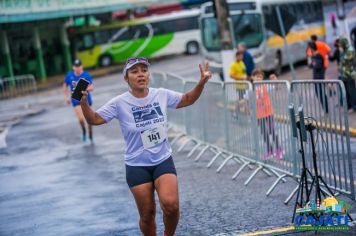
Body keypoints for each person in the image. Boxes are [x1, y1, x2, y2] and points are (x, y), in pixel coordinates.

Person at [79, 57, 212, 236]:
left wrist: (201, 83)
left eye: (144, 70)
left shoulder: (161, 94)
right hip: (137, 165)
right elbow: (94, 119)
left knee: (171, 205)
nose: (140, 74)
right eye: (134, 72)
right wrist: (84, 103)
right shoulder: (119, 102)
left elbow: (188, 99)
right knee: (147, 214)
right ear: (126, 78)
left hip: (162, 159)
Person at [251, 69, 282, 160]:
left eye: (260, 77)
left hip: (268, 113)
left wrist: (276, 81)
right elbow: (246, 99)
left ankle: (279, 149)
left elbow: (276, 87)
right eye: (256, 76)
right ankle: (270, 150)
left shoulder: (265, 86)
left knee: (272, 131)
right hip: (259, 115)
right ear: (252, 78)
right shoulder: (251, 88)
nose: (258, 78)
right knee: (264, 133)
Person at [63, 59, 95, 142]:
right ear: (73, 67)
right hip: (76, 100)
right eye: (76, 66)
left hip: (86, 100)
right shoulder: (69, 75)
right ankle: (84, 131)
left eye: (79, 66)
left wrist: (82, 88)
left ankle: (90, 134)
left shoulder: (86, 75)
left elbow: (92, 87)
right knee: (81, 119)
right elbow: (65, 87)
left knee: (90, 120)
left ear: (82, 66)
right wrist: (66, 97)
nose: (78, 68)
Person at [308, 42, 329, 114]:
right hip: (316, 78)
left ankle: (327, 109)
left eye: (309, 48)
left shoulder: (319, 55)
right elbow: (310, 66)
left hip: (320, 77)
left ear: (312, 48)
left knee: (321, 93)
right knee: (318, 94)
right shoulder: (313, 56)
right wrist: (311, 62)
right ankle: (325, 109)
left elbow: (318, 66)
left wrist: (313, 63)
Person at [338, 36, 356, 112]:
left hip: (349, 73)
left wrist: (341, 53)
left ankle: (354, 106)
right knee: (345, 91)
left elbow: (345, 60)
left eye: (340, 43)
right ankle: (349, 106)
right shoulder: (344, 50)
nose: (339, 45)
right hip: (343, 74)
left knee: (351, 91)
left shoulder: (350, 50)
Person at [230, 51, 248, 117]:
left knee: (243, 100)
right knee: (243, 100)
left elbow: (244, 72)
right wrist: (240, 77)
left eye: (242, 56)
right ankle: (237, 112)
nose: (241, 57)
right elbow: (231, 75)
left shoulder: (242, 63)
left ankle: (240, 112)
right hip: (239, 86)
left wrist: (245, 77)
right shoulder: (233, 65)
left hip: (245, 84)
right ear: (237, 56)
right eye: (240, 56)